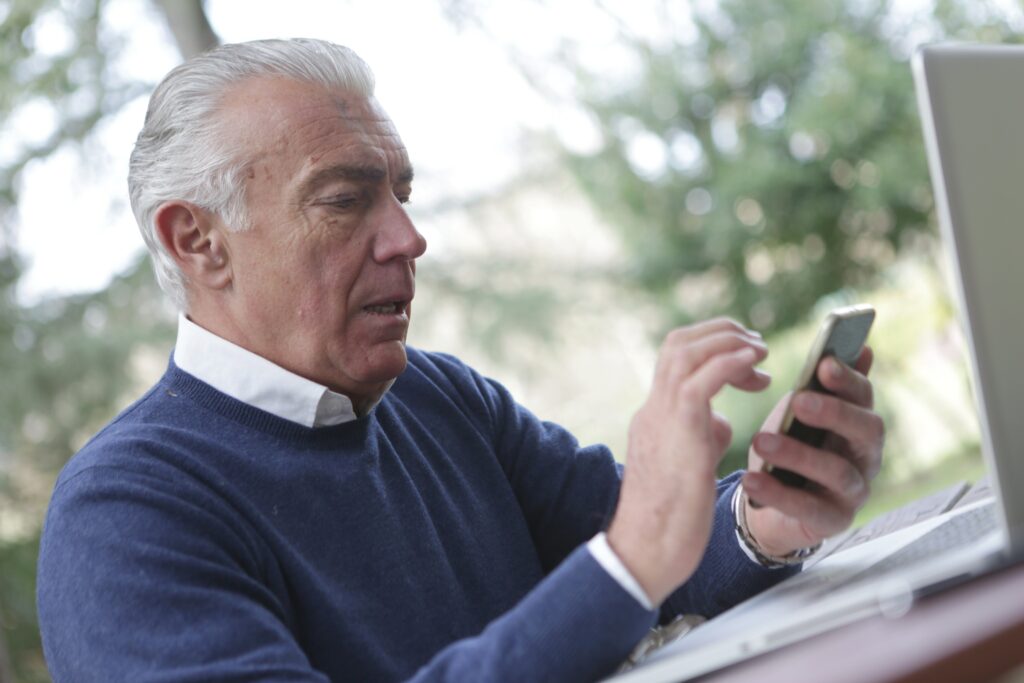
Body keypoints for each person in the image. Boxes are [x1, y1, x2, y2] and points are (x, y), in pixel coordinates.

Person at [36, 39, 884, 682]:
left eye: (401, 195)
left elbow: (648, 549)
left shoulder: (437, 394)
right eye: (344, 200)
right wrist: (630, 560)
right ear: (198, 242)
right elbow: (627, 563)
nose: (409, 239)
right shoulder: (123, 517)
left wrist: (767, 518)